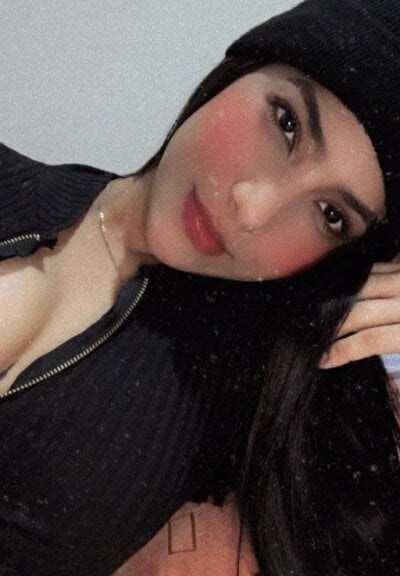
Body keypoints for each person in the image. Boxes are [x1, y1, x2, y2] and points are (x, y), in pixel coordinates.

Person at [1, 0, 400, 575]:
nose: (252, 209)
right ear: (242, 69)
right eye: (286, 123)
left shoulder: (244, 388)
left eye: (330, 215)